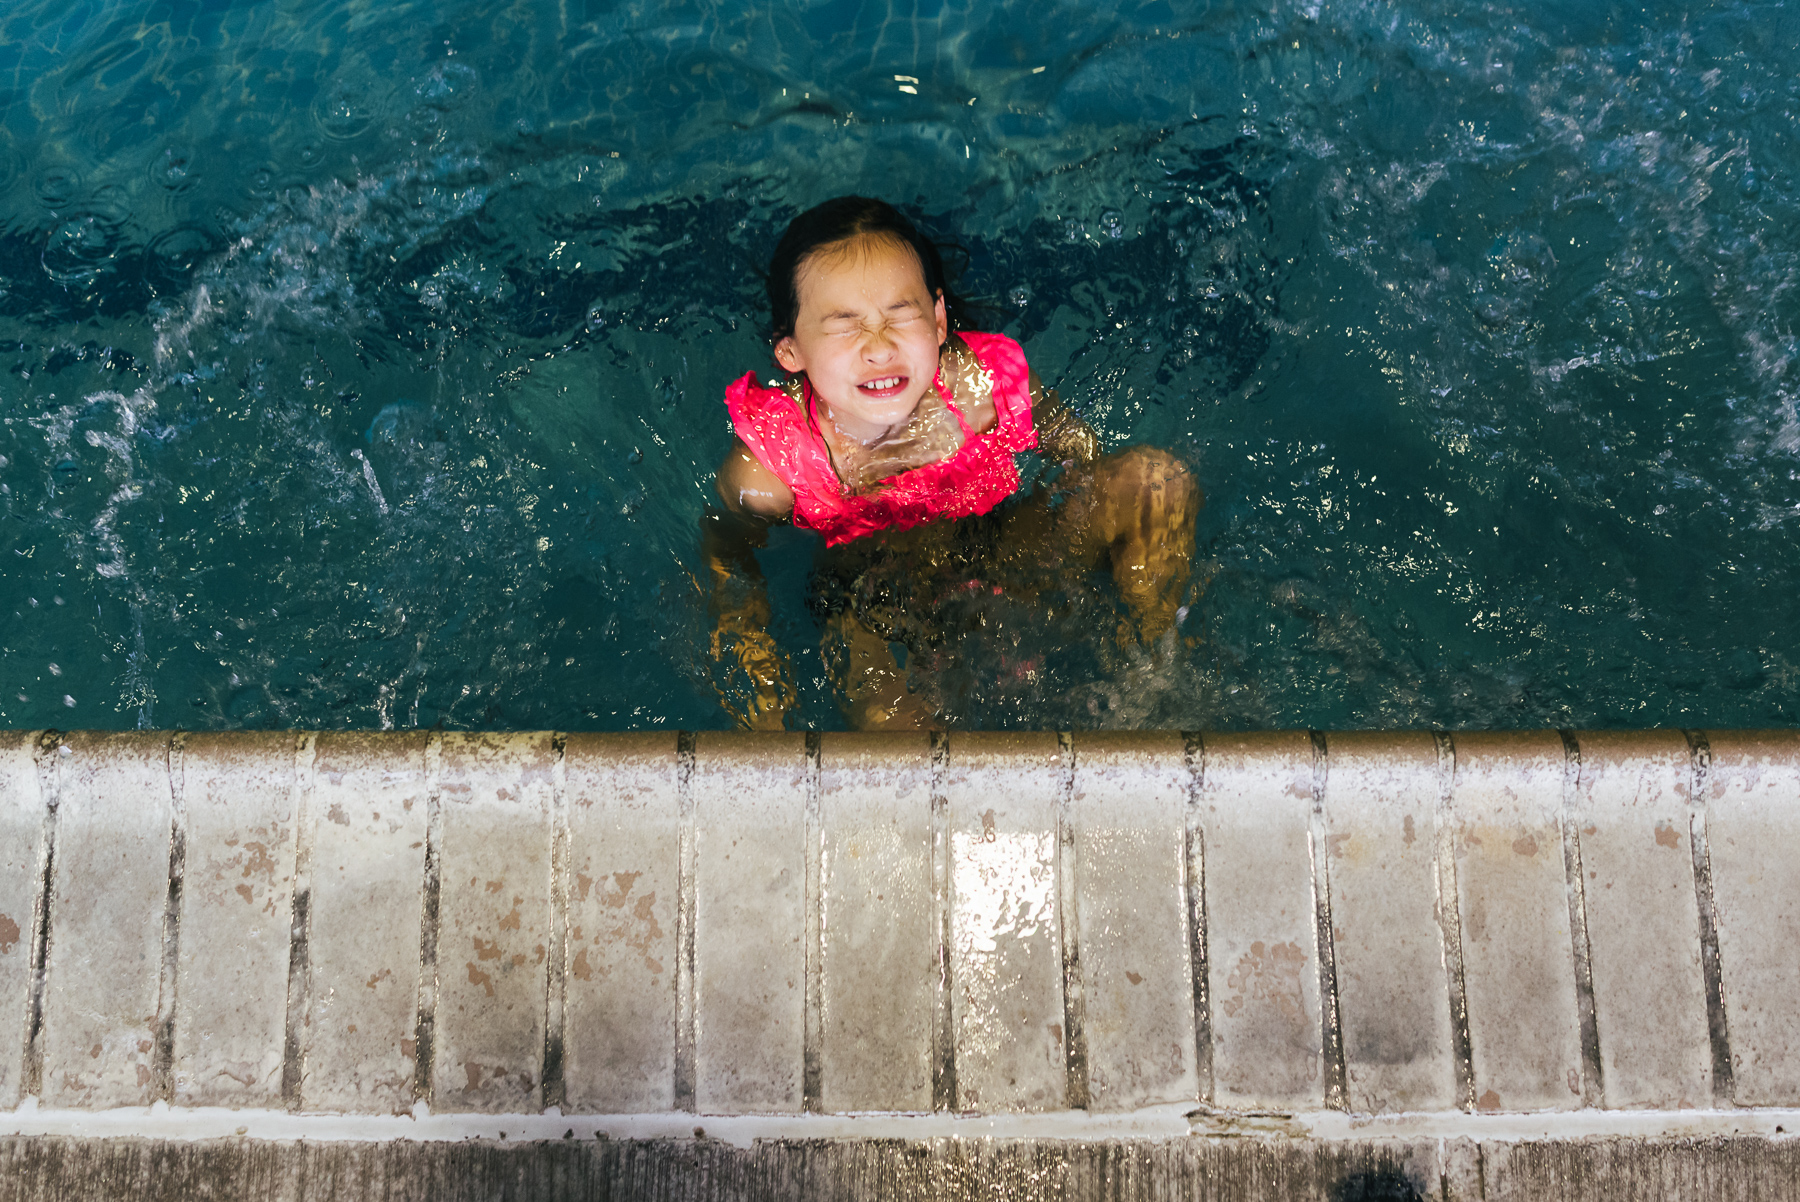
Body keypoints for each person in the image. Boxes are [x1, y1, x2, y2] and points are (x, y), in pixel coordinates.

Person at [703, 196, 1200, 730]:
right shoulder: (771, 473)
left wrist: (1087, 548)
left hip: (999, 554)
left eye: (901, 312)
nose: (880, 346)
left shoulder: (981, 391)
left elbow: (1082, 456)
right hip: (873, 608)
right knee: (896, 736)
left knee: (1154, 481)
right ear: (791, 352)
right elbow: (728, 559)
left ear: (938, 322)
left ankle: (1154, 661)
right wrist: (755, 667)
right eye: (844, 325)